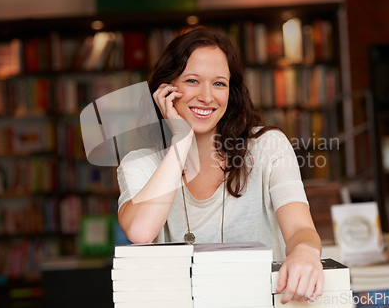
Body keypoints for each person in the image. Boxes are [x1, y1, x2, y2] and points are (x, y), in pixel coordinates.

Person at [117, 27, 324, 303]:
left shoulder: (268, 147)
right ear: (165, 90)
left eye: (219, 84)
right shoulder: (139, 164)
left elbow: (301, 230)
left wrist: (304, 253)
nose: (206, 97)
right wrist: (180, 141)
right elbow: (140, 232)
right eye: (192, 81)